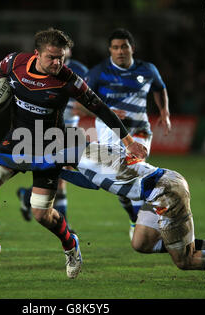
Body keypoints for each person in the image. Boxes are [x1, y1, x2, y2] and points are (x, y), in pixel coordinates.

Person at [0, 28, 147, 279]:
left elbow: (100, 108)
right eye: (52, 57)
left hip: (50, 147)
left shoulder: (68, 79)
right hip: (18, 140)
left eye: (61, 57)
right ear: (36, 53)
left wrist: (128, 141)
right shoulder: (15, 62)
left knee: (41, 213)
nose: (57, 62)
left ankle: (70, 244)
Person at [0, 138, 205, 287]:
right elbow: (80, 178)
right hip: (154, 190)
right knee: (140, 243)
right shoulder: (87, 156)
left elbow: (36, 160)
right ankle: (202, 246)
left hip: (165, 191)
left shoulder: (79, 152)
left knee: (184, 261)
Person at [85, 28, 171, 241]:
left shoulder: (148, 70)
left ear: (132, 48)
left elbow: (160, 89)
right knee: (120, 178)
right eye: (115, 47)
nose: (120, 51)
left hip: (139, 130)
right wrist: (108, 112)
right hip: (109, 131)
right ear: (110, 50)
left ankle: (149, 224)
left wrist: (164, 112)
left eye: (124, 46)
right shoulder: (98, 72)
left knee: (134, 167)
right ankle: (135, 217)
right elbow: (82, 103)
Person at [16, 47, 89, 231]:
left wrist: (83, 107)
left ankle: (27, 196)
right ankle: (64, 221)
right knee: (57, 172)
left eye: (64, 49)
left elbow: (85, 103)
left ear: (69, 50)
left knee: (60, 172)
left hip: (70, 129)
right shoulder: (41, 70)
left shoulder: (80, 71)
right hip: (48, 129)